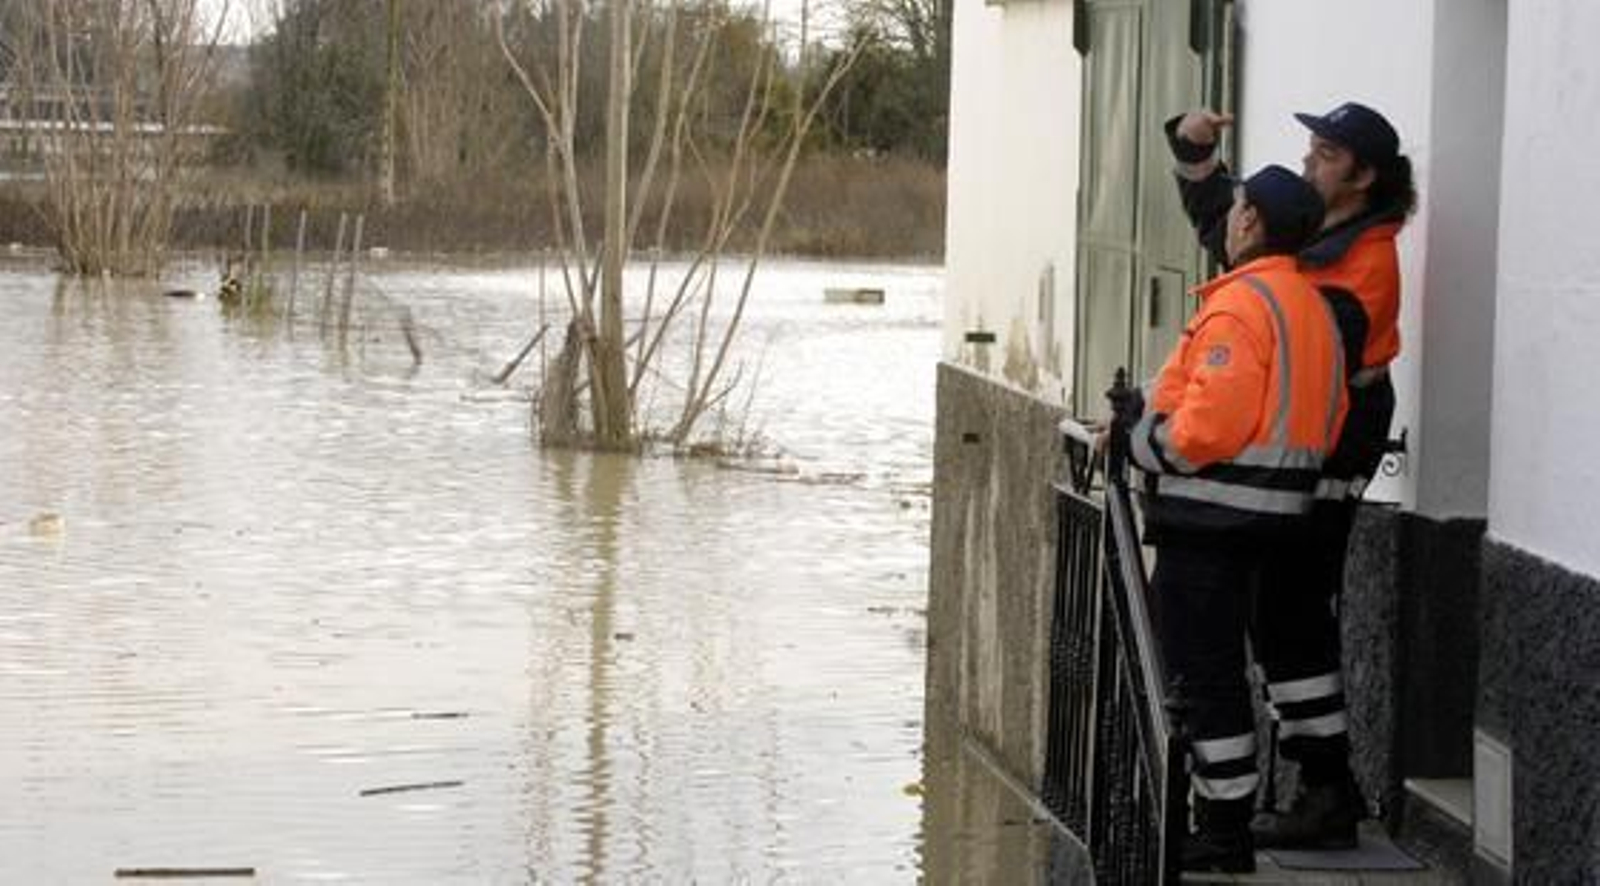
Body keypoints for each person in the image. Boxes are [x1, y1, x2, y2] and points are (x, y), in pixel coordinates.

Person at [1164, 102, 1417, 850]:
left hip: (1329, 451)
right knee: (1281, 615)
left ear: (1365, 177)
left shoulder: (1361, 263)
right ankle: (1319, 788)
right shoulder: (1326, 239)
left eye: (1327, 153)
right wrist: (1196, 155)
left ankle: (1325, 790)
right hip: (1311, 446)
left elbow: (1297, 351)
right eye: (1311, 148)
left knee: (1291, 613)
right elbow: (1238, 233)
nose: (1310, 161)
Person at [1111, 165, 1348, 873]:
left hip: (1212, 521)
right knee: (1225, 674)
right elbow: (1328, 417)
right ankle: (1227, 820)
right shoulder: (1312, 306)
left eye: (1237, 206)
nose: (1230, 217)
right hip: (1279, 518)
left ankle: (1221, 828)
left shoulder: (1243, 305)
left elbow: (1205, 427)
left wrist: (1134, 442)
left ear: (1249, 222)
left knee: (1203, 677)